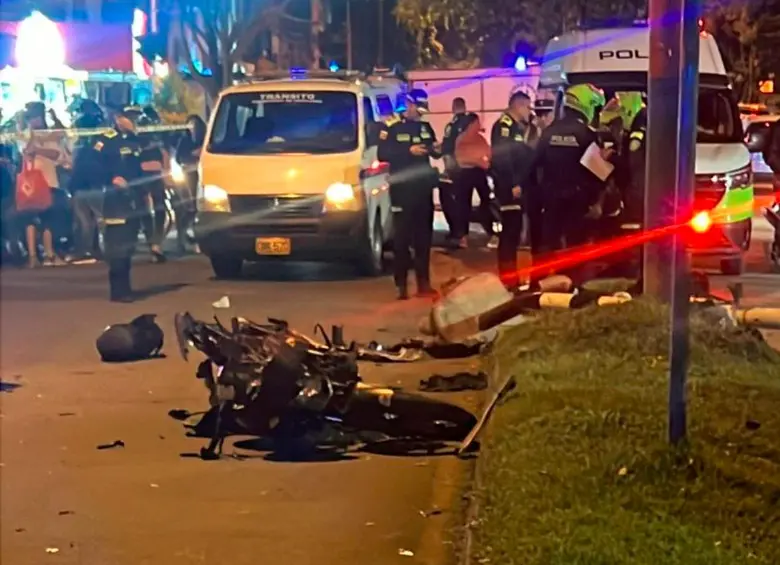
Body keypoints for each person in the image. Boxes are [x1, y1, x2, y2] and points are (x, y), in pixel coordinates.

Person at [531, 83, 609, 279]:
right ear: (587, 105)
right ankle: (570, 284)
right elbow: (599, 173)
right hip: (577, 200)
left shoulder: (549, 131)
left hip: (550, 198)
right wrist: (598, 200)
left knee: (548, 243)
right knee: (575, 245)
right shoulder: (587, 134)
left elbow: (534, 164)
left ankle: (539, 284)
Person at [377, 88, 442, 300]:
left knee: (423, 238)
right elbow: (383, 153)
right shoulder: (392, 127)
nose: (420, 113)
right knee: (402, 239)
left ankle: (424, 283)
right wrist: (408, 151)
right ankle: (402, 285)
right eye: (418, 108)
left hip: (423, 189)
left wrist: (437, 149)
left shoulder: (425, 126)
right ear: (409, 104)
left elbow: (433, 149)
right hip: (403, 191)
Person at [90, 108, 144, 302]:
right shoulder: (107, 140)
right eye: (129, 118)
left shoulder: (134, 141)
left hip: (133, 199)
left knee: (128, 244)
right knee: (117, 245)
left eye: (135, 118)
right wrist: (111, 178)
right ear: (118, 118)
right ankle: (118, 291)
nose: (133, 121)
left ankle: (125, 288)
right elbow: (92, 166)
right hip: (115, 199)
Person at [490, 90, 536, 289]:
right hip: (509, 187)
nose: (530, 112)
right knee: (509, 234)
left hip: (516, 185)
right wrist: (513, 184)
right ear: (518, 105)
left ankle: (512, 279)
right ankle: (508, 280)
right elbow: (503, 159)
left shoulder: (517, 128)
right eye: (528, 107)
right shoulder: (504, 127)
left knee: (515, 232)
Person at [16, 102, 68, 267]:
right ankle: (33, 256)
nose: (36, 120)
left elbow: (58, 153)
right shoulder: (25, 135)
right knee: (31, 220)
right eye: (32, 117)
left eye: (38, 116)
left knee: (49, 220)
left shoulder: (50, 134)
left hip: (50, 180)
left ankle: (49, 253)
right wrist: (32, 136)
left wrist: (55, 119)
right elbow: (27, 152)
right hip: (31, 184)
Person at [173, 115, 206, 253]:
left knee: (200, 207)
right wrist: (192, 154)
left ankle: (199, 237)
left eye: (194, 125)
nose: (192, 128)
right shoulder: (184, 140)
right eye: (190, 124)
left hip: (203, 174)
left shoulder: (205, 139)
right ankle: (182, 238)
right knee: (187, 207)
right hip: (188, 175)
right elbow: (178, 158)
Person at [440, 97, 470, 245]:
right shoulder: (471, 123)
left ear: (454, 107)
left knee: (452, 201)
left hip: (456, 169)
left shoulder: (452, 125)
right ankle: (465, 235)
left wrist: (448, 165)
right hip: (471, 168)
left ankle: (458, 234)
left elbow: (446, 147)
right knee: (465, 202)